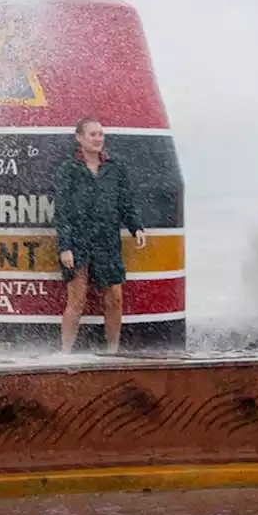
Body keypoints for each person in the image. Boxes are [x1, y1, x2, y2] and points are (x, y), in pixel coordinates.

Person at [53, 117, 146, 353]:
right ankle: (65, 353)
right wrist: (65, 246)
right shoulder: (68, 169)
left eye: (101, 134)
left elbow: (126, 203)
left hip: (107, 242)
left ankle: (112, 350)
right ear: (79, 137)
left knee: (115, 299)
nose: (98, 139)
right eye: (93, 134)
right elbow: (62, 211)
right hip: (78, 242)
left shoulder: (115, 167)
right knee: (77, 301)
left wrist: (136, 228)